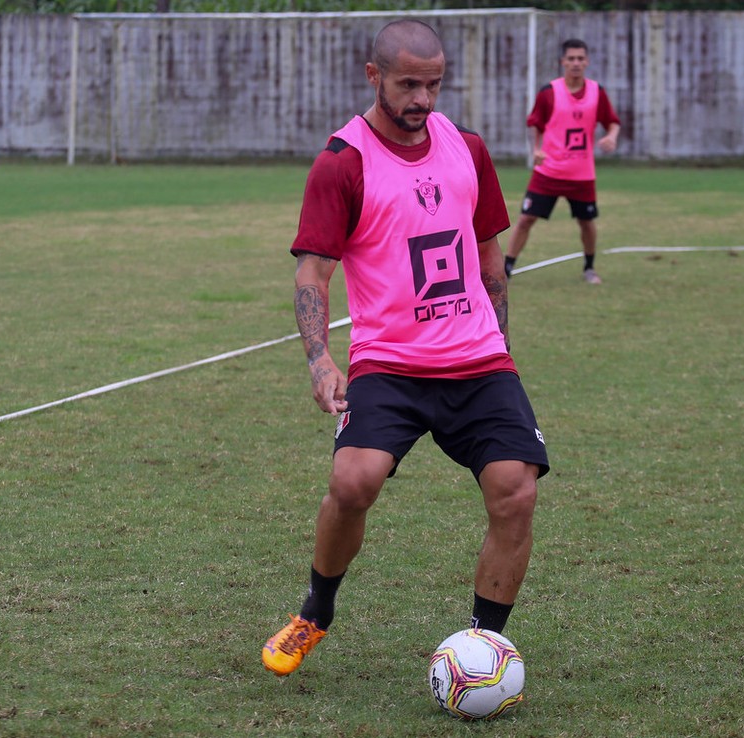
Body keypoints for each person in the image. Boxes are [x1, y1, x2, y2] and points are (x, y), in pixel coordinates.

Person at [261, 19, 549, 678]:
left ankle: (483, 646)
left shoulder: (466, 149)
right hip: (390, 363)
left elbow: (489, 260)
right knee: (351, 481)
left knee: (516, 492)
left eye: (434, 85)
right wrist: (319, 360)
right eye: (408, 84)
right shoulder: (344, 161)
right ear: (374, 77)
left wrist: (501, 350)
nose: (422, 99)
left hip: (477, 360)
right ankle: (316, 612)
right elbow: (313, 272)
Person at [504, 39, 621, 284]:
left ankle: (589, 268)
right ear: (563, 62)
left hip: (582, 174)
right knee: (526, 219)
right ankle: (506, 268)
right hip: (549, 172)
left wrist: (611, 136)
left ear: (587, 62)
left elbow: (612, 121)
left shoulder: (596, 92)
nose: (576, 63)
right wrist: (535, 149)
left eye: (581, 58)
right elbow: (534, 123)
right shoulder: (549, 92)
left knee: (586, 222)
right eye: (571, 59)